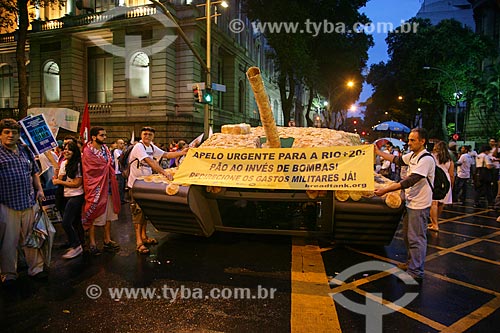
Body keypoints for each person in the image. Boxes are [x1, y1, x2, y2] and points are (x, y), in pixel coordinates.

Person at [374, 128, 434, 283]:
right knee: (408, 236)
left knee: (416, 238)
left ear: (422, 141)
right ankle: (411, 263)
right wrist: (378, 152)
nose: (409, 142)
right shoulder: (413, 155)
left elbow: (410, 181)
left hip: (420, 205)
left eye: (413, 140)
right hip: (410, 202)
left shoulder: (426, 159)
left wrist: (386, 189)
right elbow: (397, 160)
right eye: (409, 139)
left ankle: (416, 272)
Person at [0, 118, 47, 285]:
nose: (11, 135)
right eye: (7, 132)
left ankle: (36, 268)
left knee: (32, 238)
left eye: (14, 132)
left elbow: (34, 172)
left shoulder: (24, 150)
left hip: (29, 202)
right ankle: (9, 274)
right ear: (1, 134)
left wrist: (39, 189)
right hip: (7, 204)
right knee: (8, 242)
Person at [128, 127, 188, 254]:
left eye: (150, 134)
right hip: (135, 185)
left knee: (145, 212)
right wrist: (164, 172)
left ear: (153, 136)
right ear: (141, 135)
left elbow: (165, 154)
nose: (147, 136)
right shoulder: (139, 147)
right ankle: (139, 242)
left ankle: (144, 237)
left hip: (145, 185)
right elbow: (150, 162)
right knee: (138, 213)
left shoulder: (151, 147)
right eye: (145, 134)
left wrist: (182, 153)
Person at [82, 127, 121, 256]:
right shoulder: (88, 152)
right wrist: (104, 170)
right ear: (93, 137)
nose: (105, 137)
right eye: (102, 135)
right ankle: (92, 243)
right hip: (96, 188)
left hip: (109, 186)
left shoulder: (106, 150)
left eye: (105, 135)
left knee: (109, 215)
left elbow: (108, 165)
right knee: (94, 215)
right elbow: (90, 170)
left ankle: (107, 239)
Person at [52, 142, 85, 259]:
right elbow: (59, 178)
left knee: (66, 222)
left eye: (69, 149)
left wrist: (60, 182)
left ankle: (77, 246)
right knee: (75, 222)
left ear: (74, 152)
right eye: (65, 149)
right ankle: (79, 243)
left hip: (76, 196)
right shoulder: (64, 163)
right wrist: (57, 177)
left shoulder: (78, 164)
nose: (66, 151)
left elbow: (76, 184)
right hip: (65, 196)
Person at [429, 141, 454, 231]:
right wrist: (451, 185)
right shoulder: (449, 159)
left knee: (434, 202)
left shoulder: (432, 157)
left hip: (437, 179)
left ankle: (434, 223)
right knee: (441, 203)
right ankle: (436, 221)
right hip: (446, 180)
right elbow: (451, 174)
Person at [113, 139, 127, 204]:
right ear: (117, 144)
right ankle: (119, 200)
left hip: (123, 172)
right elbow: (120, 159)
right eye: (121, 143)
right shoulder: (116, 151)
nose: (122, 145)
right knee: (120, 187)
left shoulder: (122, 151)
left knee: (123, 186)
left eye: (123, 143)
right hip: (118, 172)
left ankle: (122, 199)